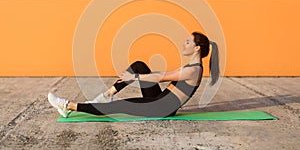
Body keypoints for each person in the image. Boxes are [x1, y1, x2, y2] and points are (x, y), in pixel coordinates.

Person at [48, 32, 219, 118]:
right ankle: (107, 95)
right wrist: (136, 75)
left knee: (119, 106)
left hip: (161, 109)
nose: (184, 43)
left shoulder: (193, 70)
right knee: (139, 66)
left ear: (197, 48)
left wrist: (134, 78)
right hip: (161, 100)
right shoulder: (193, 66)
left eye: (188, 42)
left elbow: (162, 77)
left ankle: (67, 106)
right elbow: (160, 76)